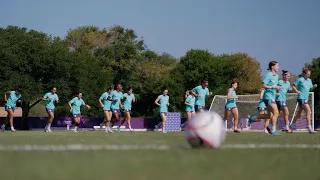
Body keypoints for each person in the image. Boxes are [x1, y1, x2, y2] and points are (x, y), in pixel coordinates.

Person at [248, 61, 281, 135]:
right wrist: (273, 87)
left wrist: (276, 90)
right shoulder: (269, 74)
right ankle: (273, 130)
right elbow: (263, 85)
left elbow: (273, 87)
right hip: (268, 97)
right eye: (277, 66)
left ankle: (252, 118)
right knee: (276, 112)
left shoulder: (276, 76)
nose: (278, 67)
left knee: (269, 116)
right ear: (272, 67)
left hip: (272, 97)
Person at [291, 67, 317, 133]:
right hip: (301, 98)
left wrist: (313, 87)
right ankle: (309, 127)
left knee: (299, 113)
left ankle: (292, 125)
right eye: (307, 74)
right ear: (304, 74)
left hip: (306, 98)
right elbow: (293, 85)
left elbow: (310, 89)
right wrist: (296, 90)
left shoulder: (309, 80)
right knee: (309, 111)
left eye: (309, 74)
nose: (309, 75)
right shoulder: (300, 79)